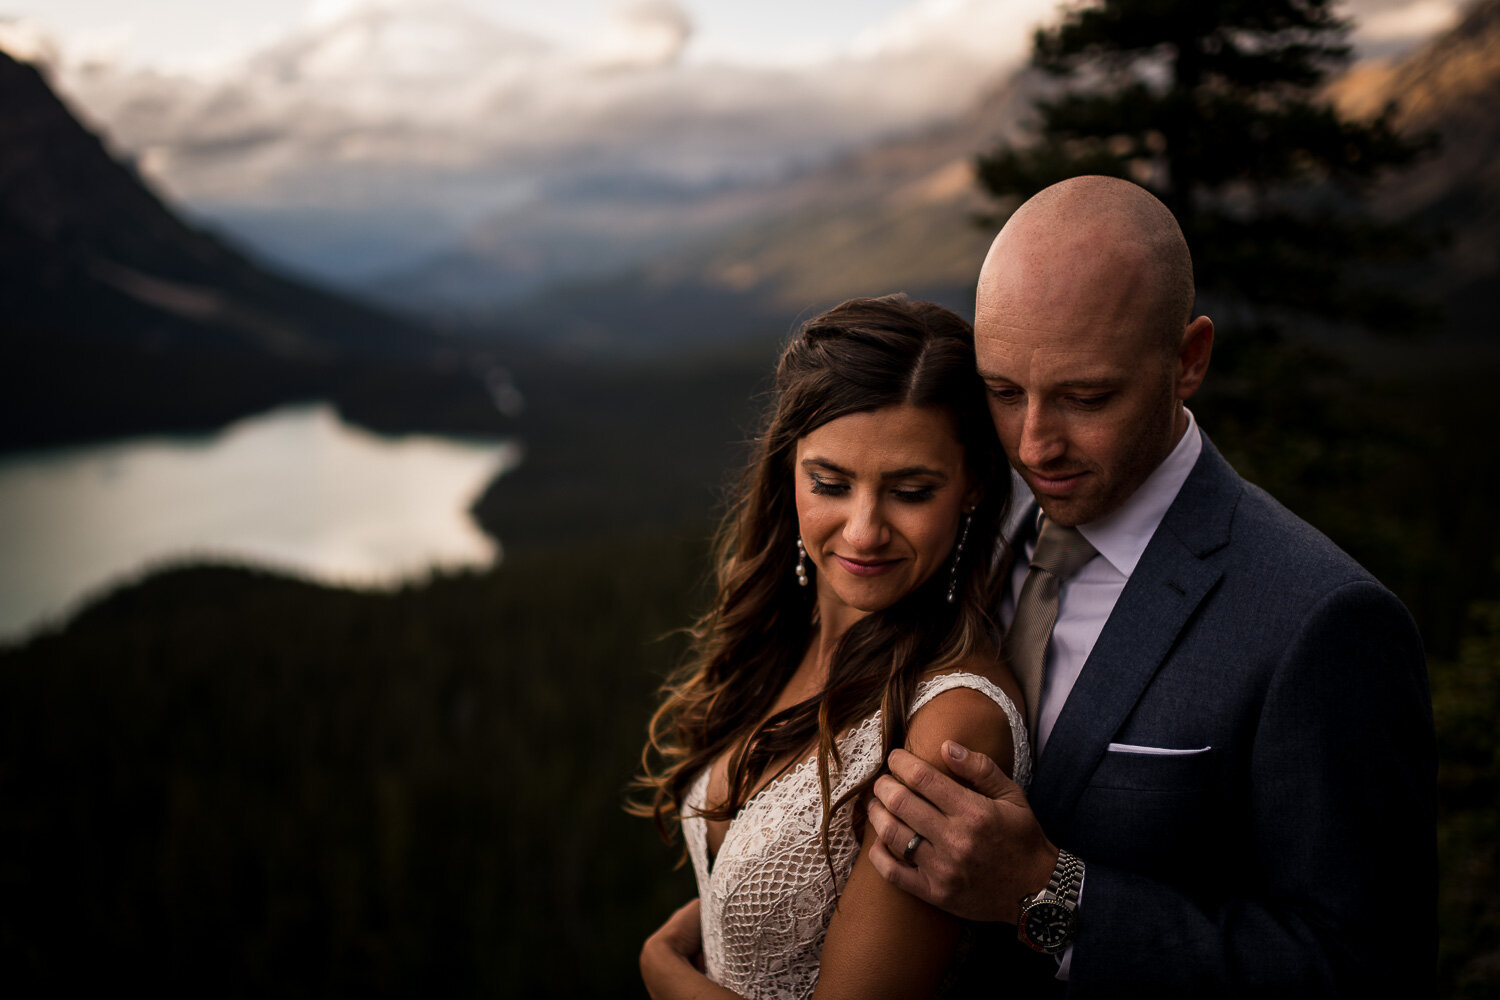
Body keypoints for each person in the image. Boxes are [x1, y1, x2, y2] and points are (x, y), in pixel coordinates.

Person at [865, 175, 1436, 996]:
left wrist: (1049, 894)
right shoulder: (956, 519)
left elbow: (1366, 972)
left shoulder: (1323, 623)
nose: (1034, 444)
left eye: (1085, 397)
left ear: (1188, 360)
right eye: (1002, 392)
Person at [633, 294, 1030, 999]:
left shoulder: (949, 726)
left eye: (910, 490)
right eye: (830, 484)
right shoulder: (783, 644)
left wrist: (663, 972)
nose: (862, 530)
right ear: (789, 474)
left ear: (970, 489)